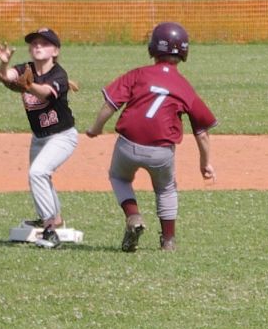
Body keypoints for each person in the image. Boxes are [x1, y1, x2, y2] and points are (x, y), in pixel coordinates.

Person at [85, 22, 217, 252]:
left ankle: (133, 215)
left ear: (153, 48)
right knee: (166, 189)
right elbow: (202, 133)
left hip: (127, 145)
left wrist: (95, 128)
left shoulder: (138, 74)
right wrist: (205, 163)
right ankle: (168, 240)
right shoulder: (184, 87)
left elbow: (110, 105)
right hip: (161, 152)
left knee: (119, 177)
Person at [0, 27, 78, 249]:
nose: (38, 46)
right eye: (34, 43)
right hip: (39, 137)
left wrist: (28, 85)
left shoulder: (59, 74)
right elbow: (3, 77)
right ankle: (54, 219)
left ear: (55, 51)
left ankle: (50, 230)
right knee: (41, 177)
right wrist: (4, 64)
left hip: (62, 136)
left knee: (38, 172)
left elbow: (45, 93)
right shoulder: (26, 68)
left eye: (45, 43)